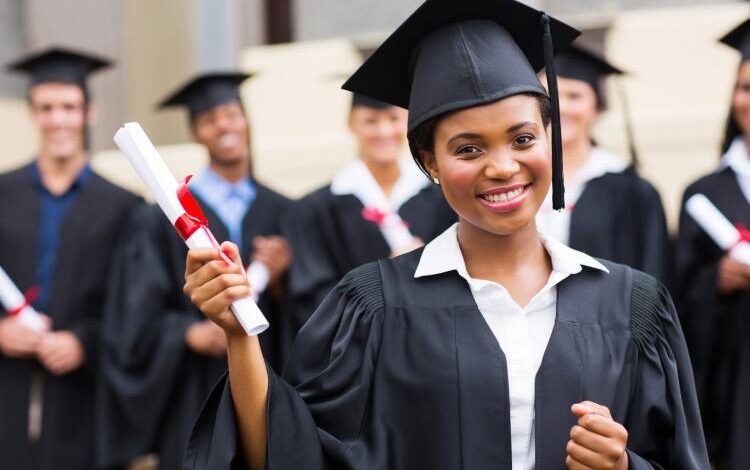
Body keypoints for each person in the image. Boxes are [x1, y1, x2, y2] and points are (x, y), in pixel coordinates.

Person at [183, 1, 709, 469]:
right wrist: (238, 335)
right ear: (429, 162)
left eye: (523, 137)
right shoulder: (373, 307)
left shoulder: (633, 306)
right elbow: (288, 450)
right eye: (468, 149)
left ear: (550, 137)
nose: (503, 166)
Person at [97, 73, 293, 470]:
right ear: (196, 133)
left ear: (247, 122)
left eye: (231, 113)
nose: (223, 125)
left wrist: (283, 280)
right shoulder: (162, 220)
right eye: (209, 119)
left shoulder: (286, 210)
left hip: (269, 384)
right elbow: (133, 311)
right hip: (191, 392)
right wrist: (186, 332)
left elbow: (316, 310)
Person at [0, 47, 140, 470]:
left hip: (84, 391)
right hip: (8, 385)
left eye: (68, 107)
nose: (58, 119)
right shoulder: (2, 194)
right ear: (32, 113)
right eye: (47, 108)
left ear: (89, 113)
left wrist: (85, 341)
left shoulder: (124, 207)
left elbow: (134, 304)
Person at [284, 91, 455, 322]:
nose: (384, 131)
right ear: (350, 123)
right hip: (362, 346)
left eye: (394, 119)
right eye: (370, 121)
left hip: (437, 333)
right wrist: (388, 281)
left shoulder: (444, 198)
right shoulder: (317, 209)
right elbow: (316, 300)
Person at [675, 17, 750, 469]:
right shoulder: (705, 193)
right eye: (743, 87)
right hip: (735, 388)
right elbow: (679, 298)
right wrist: (718, 281)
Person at [535, 40, 670, 282]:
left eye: (574, 96)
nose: (560, 106)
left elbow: (653, 279)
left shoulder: (634, 192)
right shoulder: (515, 181)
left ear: (597, 106)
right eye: (549, 95)